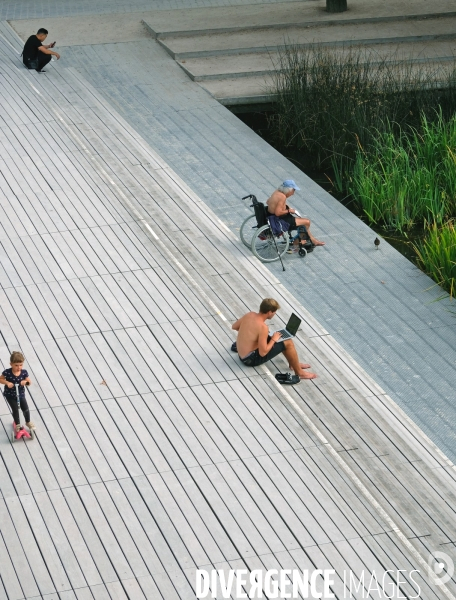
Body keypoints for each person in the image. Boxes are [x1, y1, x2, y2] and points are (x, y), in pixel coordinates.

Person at [232, 298, 317, 379]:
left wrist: (250, 335)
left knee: (279, 339)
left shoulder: (249, 314)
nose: (275, 314)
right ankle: (299, 372)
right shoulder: (263, 327)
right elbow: (263, 353)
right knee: (287, 341)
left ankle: (294, 364)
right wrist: (273, 339)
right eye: (274, 312)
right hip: (250, 360)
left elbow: (234, 326)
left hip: (242, 355)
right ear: (269, 312)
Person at [266, 179, 325, 248]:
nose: (293, 193)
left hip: (271, 216)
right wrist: (289, 211)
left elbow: (268, 202)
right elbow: (277, 213)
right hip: (279, 220)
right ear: (288, 190)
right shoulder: (282, 197)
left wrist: (284, 206)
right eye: (293, 191)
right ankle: (299, 242)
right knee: (306, 222)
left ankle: (313, 240)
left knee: (303, 223)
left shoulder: (276, 192)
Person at [0, 351, 35, 431]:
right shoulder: (7, 372)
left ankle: (28, 421)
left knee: (25, 408)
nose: (19, 367)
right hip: (10, 395)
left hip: (20, 394)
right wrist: (7, 382)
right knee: (15, 409)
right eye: (16, 365)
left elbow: (29, 381)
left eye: (21, 365)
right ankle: (17, 424)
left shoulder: (23, 372)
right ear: (11, 364)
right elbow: (0, 379)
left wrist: (25, 382)